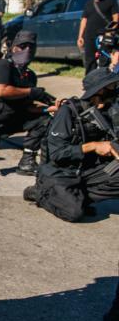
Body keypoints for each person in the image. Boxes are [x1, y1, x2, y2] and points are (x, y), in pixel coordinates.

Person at [24, 68, 119, 221]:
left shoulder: (110, 112)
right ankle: (40, 192)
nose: (116, 90)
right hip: (61, 172)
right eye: (112, 86)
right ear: (100, 91)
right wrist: (93, 146)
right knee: (74, 212)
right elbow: (57, 154)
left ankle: (80, 196)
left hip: (88, 170)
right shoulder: (68, 113)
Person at [0, 31, 55, 174]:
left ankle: (28, 162)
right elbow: (0, 91)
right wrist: (31, 92)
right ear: (13, 48)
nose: (27, 51)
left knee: (44, 120)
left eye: (31, 47)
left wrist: (50, 108)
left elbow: (27, 107)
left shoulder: (29, 75)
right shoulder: (3, 66)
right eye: (22, 46)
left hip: (7, 120)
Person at [77, 0, 119, 74]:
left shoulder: (110, 1)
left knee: (104, 58)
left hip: (105, 35)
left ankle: (104, 80)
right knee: (90, 60)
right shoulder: (88, 4)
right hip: (90, 35)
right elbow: (84, 20)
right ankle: (89, 80)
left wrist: (111, 32)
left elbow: (116, 19)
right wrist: (80, 36)